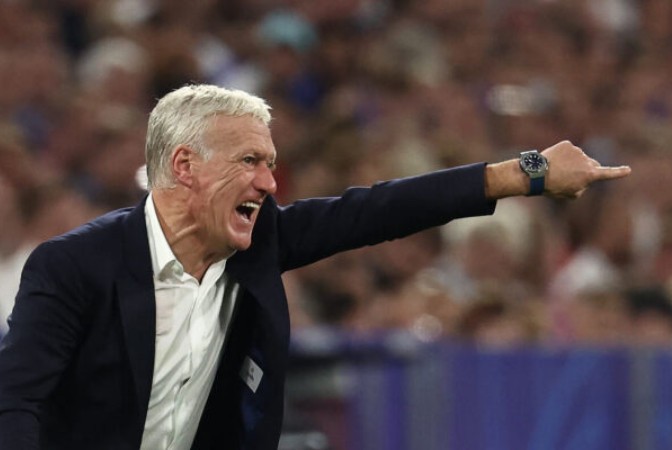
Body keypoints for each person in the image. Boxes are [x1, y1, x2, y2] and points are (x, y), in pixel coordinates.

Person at [0, 84, 631, 450]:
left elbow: (376, 210)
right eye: (250, 161)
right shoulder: (73, 266)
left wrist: (525, 174)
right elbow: (16, 402)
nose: (270, 183)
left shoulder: (260, 242)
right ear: (186, 166)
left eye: (270, 162)